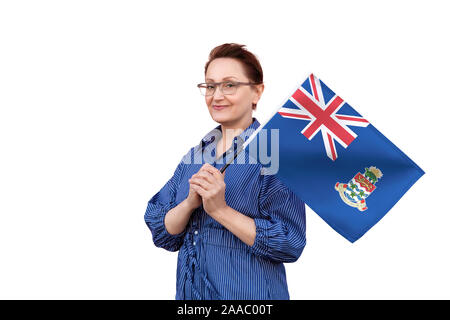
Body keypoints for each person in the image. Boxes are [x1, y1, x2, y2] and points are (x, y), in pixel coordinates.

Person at [144, 43, 306, 300]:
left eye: (229, 85)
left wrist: (220, 210)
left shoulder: (274, 155)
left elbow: (290, 243)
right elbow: (162, 231)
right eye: (210, 86)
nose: (216, 96)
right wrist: (188, 204)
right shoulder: (194, 157)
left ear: (257, 92)